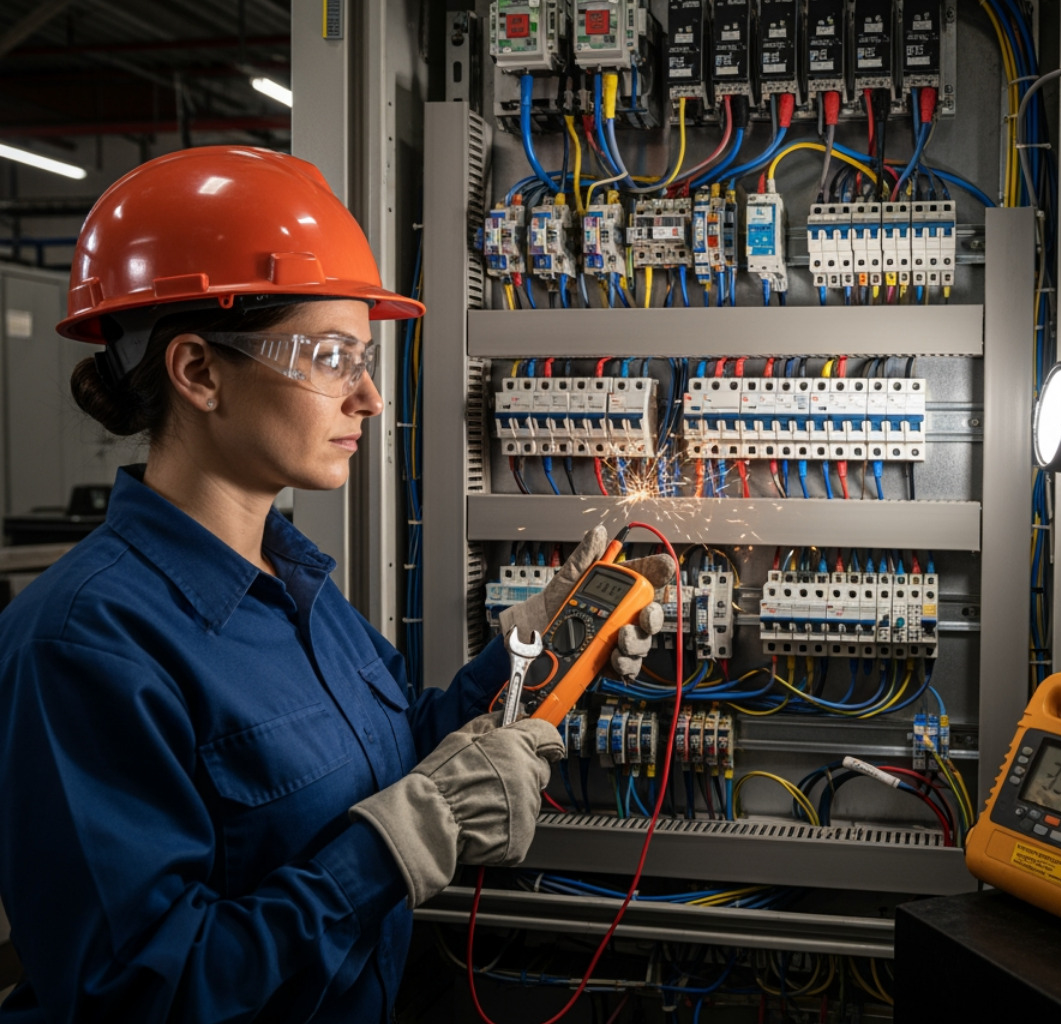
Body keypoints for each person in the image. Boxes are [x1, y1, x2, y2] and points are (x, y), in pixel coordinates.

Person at [0, 146, 673, 1022]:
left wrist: (537, 645)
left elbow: (407, 756)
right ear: (199, 372)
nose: (367, 397)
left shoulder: (298, 584)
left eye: (365, 356)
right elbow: (140, 995)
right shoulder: (83, 645)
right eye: (328, 355)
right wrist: (393, 848)